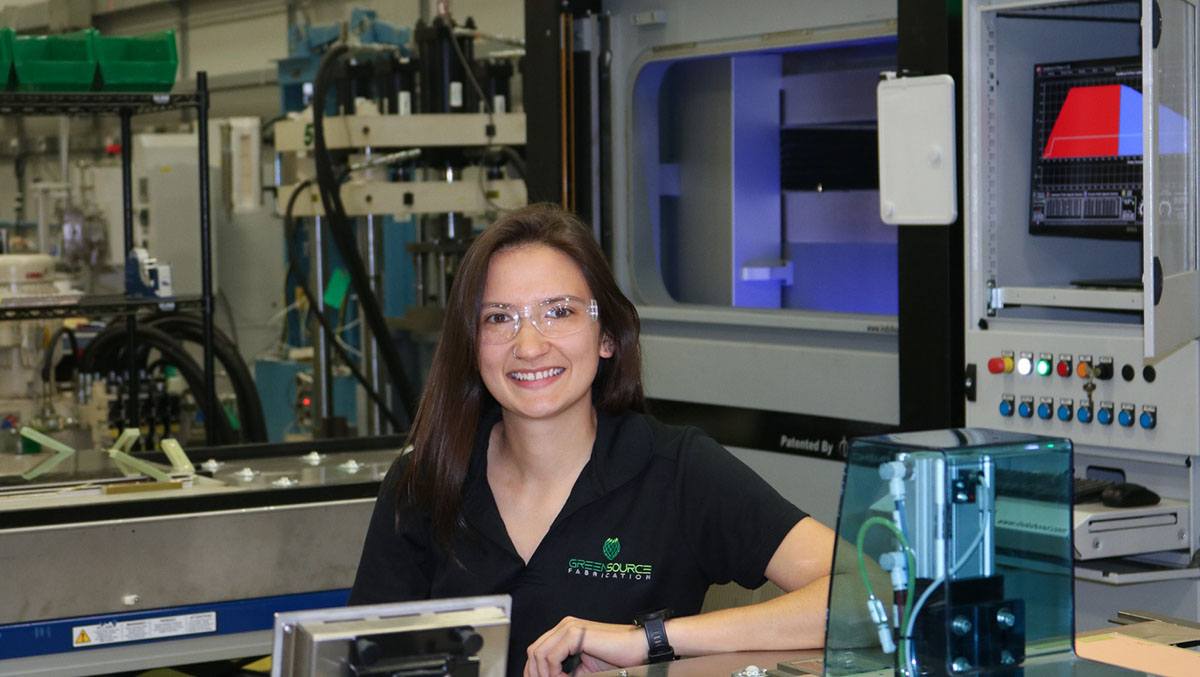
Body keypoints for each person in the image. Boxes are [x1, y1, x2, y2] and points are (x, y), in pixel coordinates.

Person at [349, 203, 836, 676]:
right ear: (471, 345)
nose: (530, 345)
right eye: (499, 318)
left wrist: (650, 641)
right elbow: (365, 660)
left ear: (607, 337)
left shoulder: (677, 471)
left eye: (558, 312)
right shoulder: (426, 480)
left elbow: (869, 595)